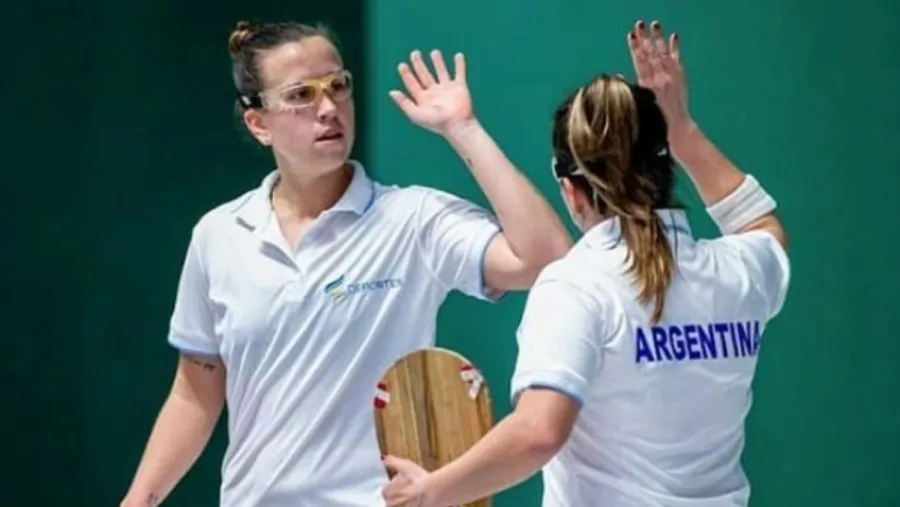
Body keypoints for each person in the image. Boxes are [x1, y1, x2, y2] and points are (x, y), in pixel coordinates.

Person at [119, 19, 571, 507]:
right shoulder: (219, 235)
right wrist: (138, 501)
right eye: (301, 95)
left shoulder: (413, 220)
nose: (329, 108)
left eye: (338, 86)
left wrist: (463, 129)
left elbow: (547, 261)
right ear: (259, 123)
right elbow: (194, 395)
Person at [382, 19, 790, 507]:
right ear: (665, 167)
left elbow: (539, 432)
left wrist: (431, 491)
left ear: (571, 192)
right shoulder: (741, 272)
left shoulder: (576, 286)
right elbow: (760, 224)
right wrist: (681, 127)